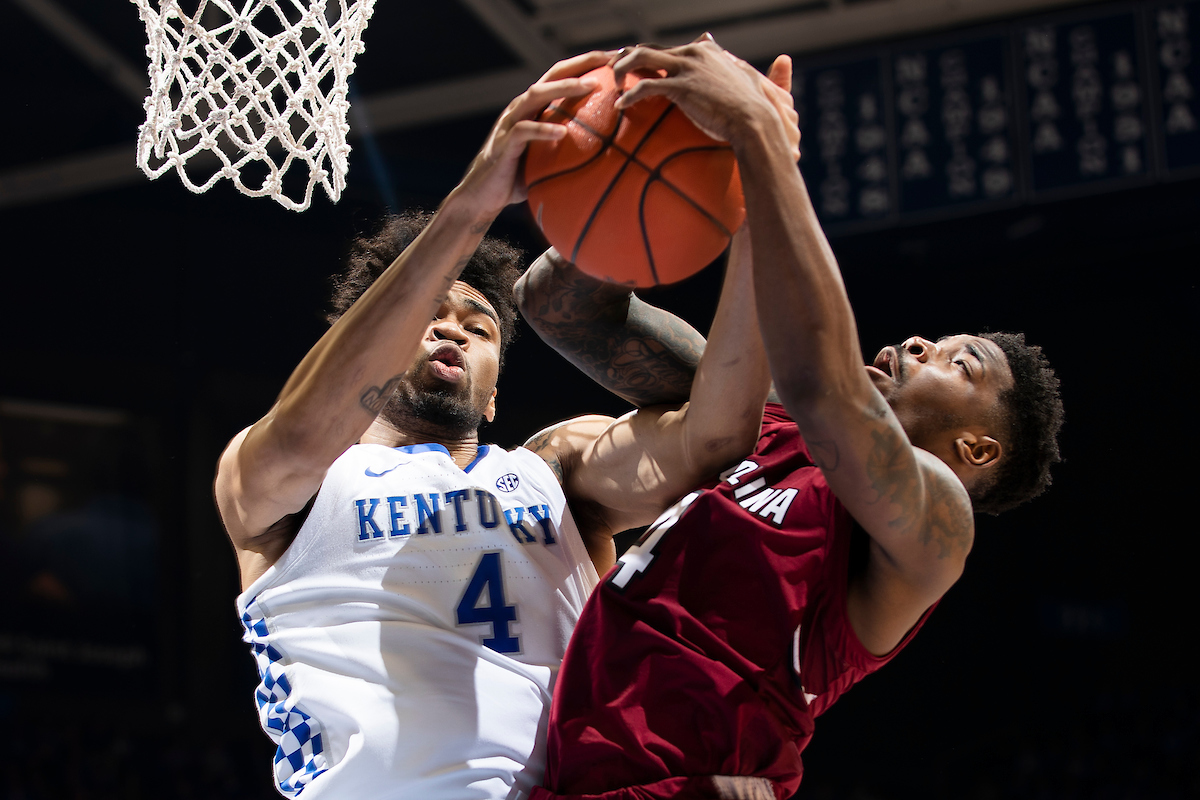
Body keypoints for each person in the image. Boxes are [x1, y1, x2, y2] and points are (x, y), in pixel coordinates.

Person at [212, 50, 782, 800]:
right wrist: (473, 203)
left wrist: (764, 181)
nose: (450, 332)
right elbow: (303, 427)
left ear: (493, 395)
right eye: (427, 315)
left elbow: (723, 435)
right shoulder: (293, 485)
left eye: (476, 326)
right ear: (374, 337)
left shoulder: (557, 471)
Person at [516, 40, 1064, 800]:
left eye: (956, 362)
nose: (917, 343)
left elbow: (822, 384)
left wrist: (761, 139)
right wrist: (648, 161)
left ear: (975, 446)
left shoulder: (934, 525)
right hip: (572, 774)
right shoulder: (768, 422)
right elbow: (558, 308)